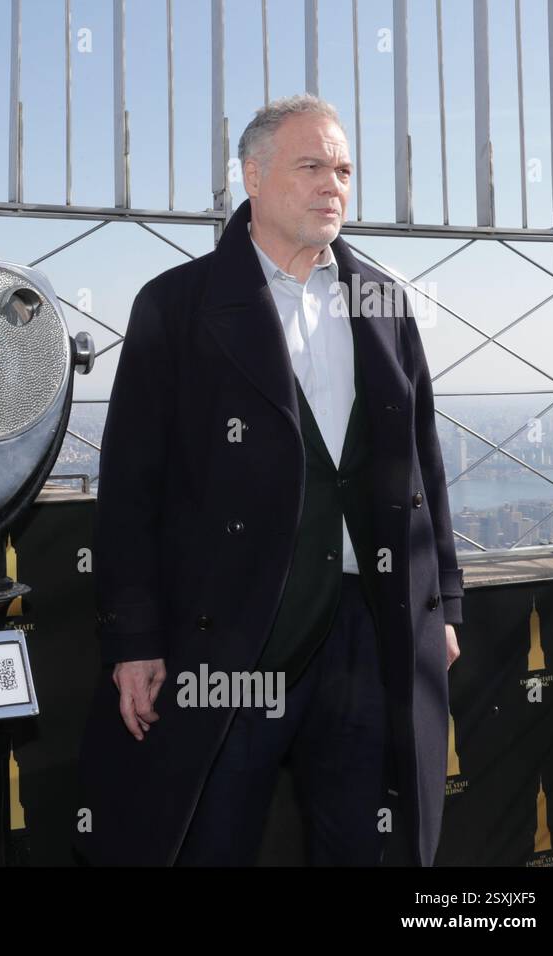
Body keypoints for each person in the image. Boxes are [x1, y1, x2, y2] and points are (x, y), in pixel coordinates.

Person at [78, 94, 462, 866]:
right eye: (311, 165)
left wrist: (444, 604)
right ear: (252, 176)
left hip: (369, 628)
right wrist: (136, 639)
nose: (334, 186)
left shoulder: (382, 300)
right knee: (210, 840)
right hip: (236, 637)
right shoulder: (177, 306)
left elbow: (423, 459)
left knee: (366, 845)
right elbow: (130, 489)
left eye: (345, 169)